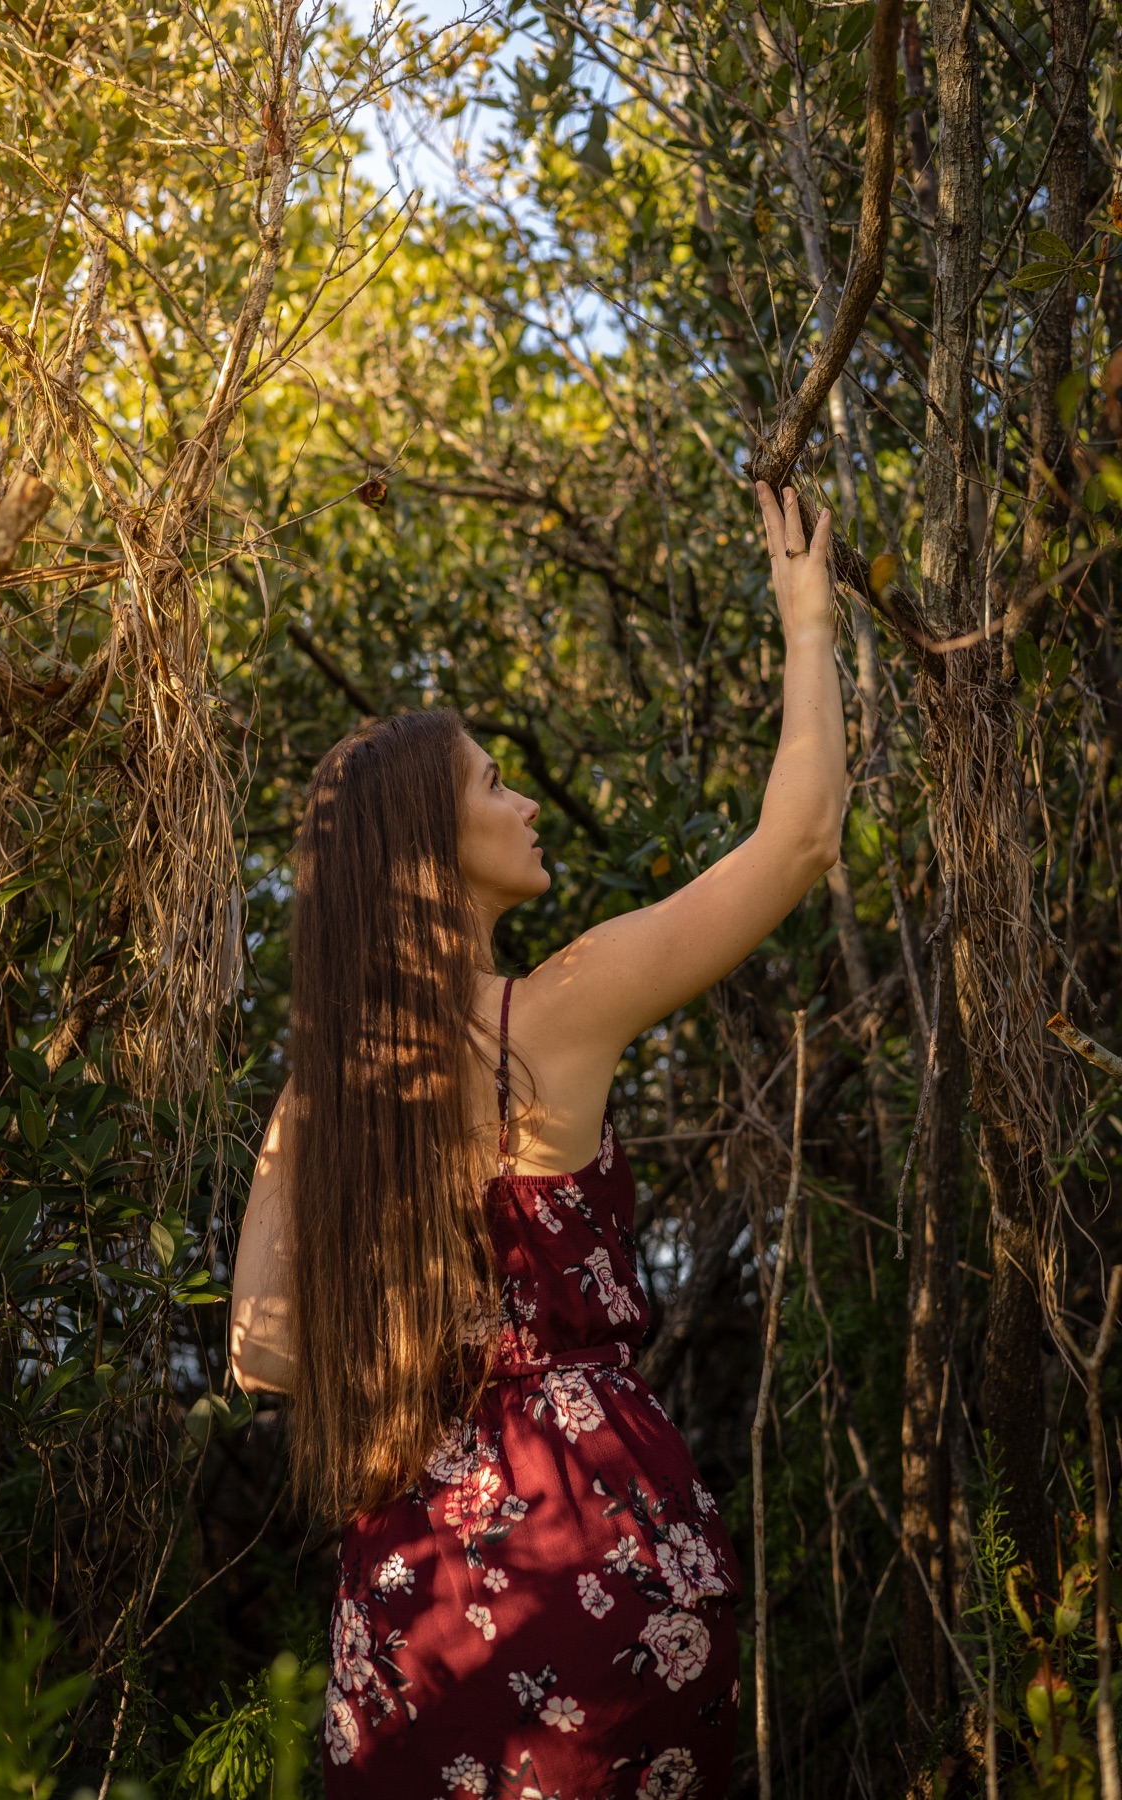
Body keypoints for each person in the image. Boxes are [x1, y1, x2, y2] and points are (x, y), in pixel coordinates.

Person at [229, 484, 844, 1799]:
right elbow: (796, 843)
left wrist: (421, 1334)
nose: (524, 806)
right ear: (433, 856)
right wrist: (805, 621)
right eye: (495, 787)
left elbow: (266, 1352)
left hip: (416, 1585)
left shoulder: (325, 1092)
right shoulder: (555, 1014)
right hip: (595, 1546)